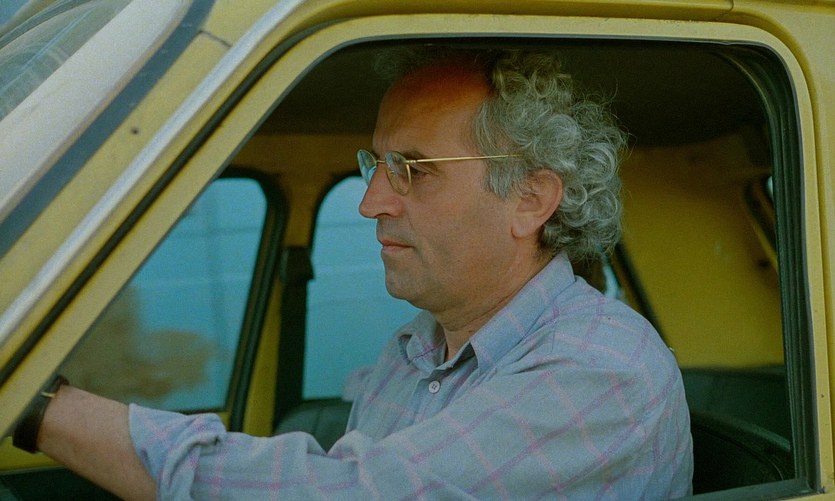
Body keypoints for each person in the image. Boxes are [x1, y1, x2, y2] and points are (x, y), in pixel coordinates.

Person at [12, 47, 692, 499]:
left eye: (413, 169)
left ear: (530, 199)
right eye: (377, 165)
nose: (370, 203)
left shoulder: (601, 369)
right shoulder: (415, 348)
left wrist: (36, 404)